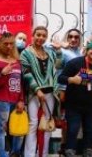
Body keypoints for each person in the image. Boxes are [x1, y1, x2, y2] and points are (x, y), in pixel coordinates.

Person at [58, 42, 92, 157]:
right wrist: (71, 79)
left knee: (90, 130)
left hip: (91, 105)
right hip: (73, 104)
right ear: (87, 50)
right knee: (73, 129)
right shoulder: (75, 63)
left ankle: (87, 150)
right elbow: (60, 78)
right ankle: (69, 150)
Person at [20, 26, 62, 157]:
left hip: (50, 93)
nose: (41, 38)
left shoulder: (49, 52)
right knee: (33, 123)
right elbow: (26, 73)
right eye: (38, 35)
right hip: (34, 93)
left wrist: (59, 50)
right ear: (33, 35)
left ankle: (43, 154)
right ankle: (29, 154)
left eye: (44, 35)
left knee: (47, 122)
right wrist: (37, 90)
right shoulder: (25, 53)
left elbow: (58, 65)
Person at [0, 32, 25, 157]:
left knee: (18, 129)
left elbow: (20, 83)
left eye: (11, 43)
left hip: (16, 101)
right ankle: (2, 155)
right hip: (2, 101)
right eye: (6, 44)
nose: (9, 46)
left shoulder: (17, 61)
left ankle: (15, 153)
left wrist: (21, 100)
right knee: (1, 130)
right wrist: (3, 74)